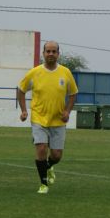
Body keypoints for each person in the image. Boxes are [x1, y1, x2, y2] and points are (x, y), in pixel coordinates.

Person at [17, 41, 78, 194]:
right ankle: (43, 184)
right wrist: (24, 110)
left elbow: (73, 93)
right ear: (43, 54)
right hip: (39, 118)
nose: (51, 54)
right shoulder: (34, 73)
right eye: (48, 51)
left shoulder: (65, 72)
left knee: (56, 155)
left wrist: (67, 111)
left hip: (58, 120)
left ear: (58, 54)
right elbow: (21, 90)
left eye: (54, 51)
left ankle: (50, 166)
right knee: (42, 149)